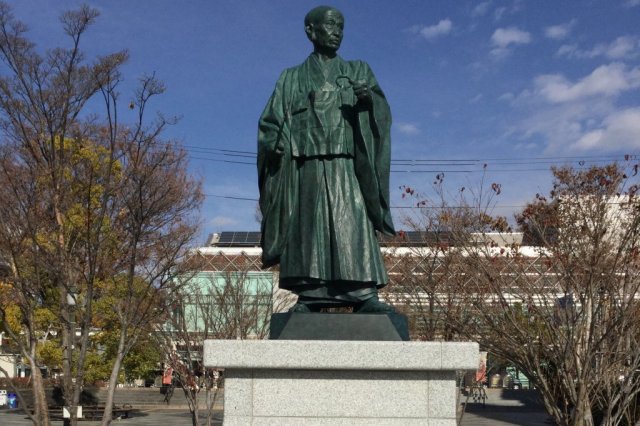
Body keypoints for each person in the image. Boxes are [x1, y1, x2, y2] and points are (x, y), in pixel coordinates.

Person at [257, 6, 396, 313]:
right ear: (311, 30)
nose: (337, 32)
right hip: (304, 166)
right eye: (331, 26)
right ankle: (309, 295)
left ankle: (363, 293)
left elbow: (381, 114)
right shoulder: (291, 78)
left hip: (346, 164)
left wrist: (368, 100)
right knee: (307, 228)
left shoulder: (359, 70)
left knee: (353, 221)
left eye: (341, 27)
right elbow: (270, 122)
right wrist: (275, 142)